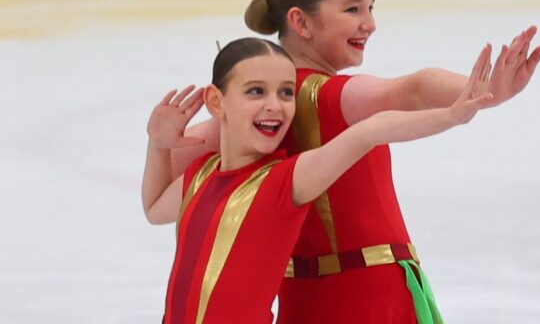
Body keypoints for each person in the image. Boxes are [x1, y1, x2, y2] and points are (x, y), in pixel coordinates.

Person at [156, 0, 540, 323]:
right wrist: (482, 92)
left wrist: (158, 141)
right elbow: (413, 89)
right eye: (353, 9)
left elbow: (166, 187)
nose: (369, 23)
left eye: (370, 8)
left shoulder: (245, 112)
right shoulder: (327, 96)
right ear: (301, 22)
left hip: (302, 299)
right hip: (367, 294)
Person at [142, 37, 495, 324]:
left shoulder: (283, 182)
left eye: (285, 92)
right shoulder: (200, 175)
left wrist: (451, 115)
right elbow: (155, 207)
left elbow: (371, 131)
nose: (275, 105)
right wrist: (157, 144)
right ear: (216, 102)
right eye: (256, 91)